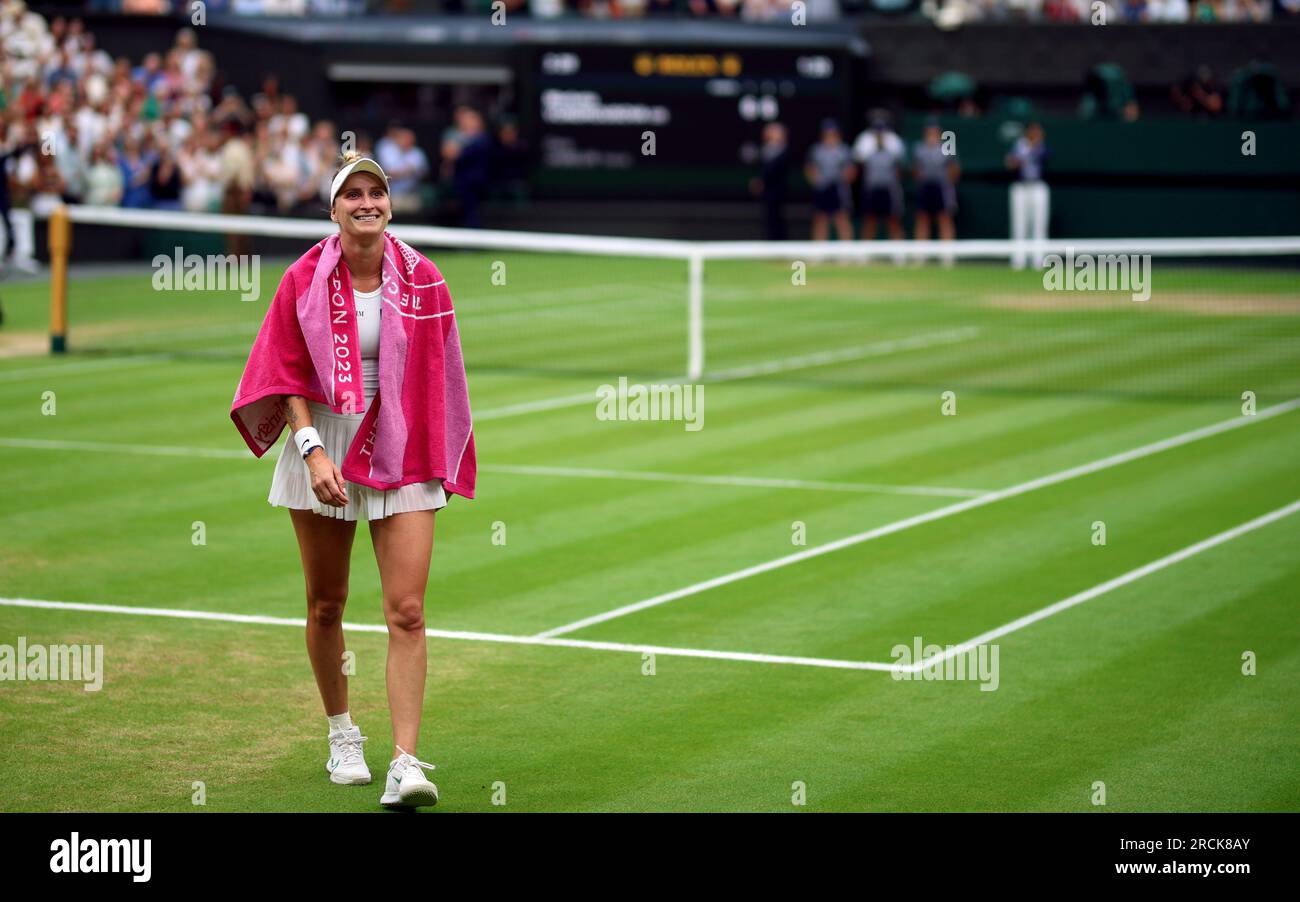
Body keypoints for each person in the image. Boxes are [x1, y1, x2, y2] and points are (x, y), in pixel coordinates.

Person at [230, 152, 477, 810]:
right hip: (323, 441)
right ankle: (342, 734)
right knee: (326, 604)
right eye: (353, 194)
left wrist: (440, 451)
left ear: (389, 204)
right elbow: (284, 372)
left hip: (401, 445)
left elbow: (442, 375)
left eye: (377, 192)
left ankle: (405, 762)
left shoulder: (425, 278)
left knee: (408, 610)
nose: (367, 202)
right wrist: (311, 451)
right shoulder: (302, 278)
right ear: (334, 209)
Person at [852, 111, 906, 243]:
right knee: (869, 220)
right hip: (871, 186)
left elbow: (899, 162)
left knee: (893, 220)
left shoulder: (893, 139)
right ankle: (865, 250)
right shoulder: (864, 139)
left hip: (889, 187)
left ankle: (899, 250)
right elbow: (859, 159)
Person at [912, 119, 960, 259]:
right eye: (929, 131)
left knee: (944, 218)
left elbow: (954, 169)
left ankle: (947, 255)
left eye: (934, 131)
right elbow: (916, 169)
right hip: (925, 187)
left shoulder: (947, 147)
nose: (931, 134)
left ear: (939, 133)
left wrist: (947, 183)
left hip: (942, 187)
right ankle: (920, 255)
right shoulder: (919, 148)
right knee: (922, 218)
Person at [1006, 121, 1049, 270]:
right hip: (1020, 187)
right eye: (1034, 131)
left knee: (1039, 224)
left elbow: (1044, 157)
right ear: (1028, 132)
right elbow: (1010, 162)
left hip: (1038, 187)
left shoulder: (1042, 146)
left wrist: (1027, 154)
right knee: (1019, 224)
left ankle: (1038, 260)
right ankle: (1019, 260)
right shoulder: (1018, 145)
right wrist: (1018, 159)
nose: (1037, 134)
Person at [804, 118, 854, 242]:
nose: (830, 135)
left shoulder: (843, 150)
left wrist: (842, 180)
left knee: (841, 218)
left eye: (833, 133)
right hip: (822, 189)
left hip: (838, 189)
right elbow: (809, 168)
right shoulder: (816, 149)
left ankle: (847, 250)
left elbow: (851, 169)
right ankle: (818, 250)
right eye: (827, 133)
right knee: (820, 219)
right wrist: (817, 181)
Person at [750, 121, 789, 241]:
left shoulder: (783, 150)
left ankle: (780, 243)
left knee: (777, 218)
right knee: (768, 217)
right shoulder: (765, 149)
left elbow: (775, 168)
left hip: (778, 190)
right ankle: (770, 242)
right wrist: (760, 181)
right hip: (767, 191)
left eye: (773, 132)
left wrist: (762, 180)